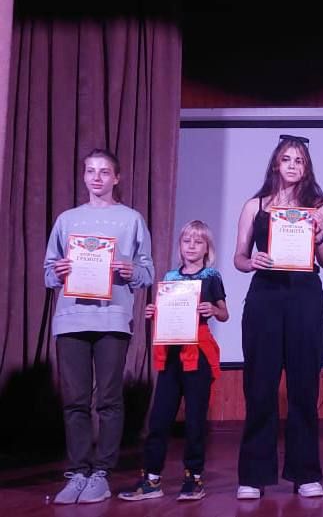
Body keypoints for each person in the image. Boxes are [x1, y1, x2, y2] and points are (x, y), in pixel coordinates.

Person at [43, 148, 154, 504]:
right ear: (84, 176)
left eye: (104, 171)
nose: (96, 177)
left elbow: (147, 272)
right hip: (71, 320)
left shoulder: (131, 219)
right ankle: (78, 471)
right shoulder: (67, 219)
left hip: (112, 319)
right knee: (75, 401)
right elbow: (48, 274)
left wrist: (131, 271)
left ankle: (101, 474)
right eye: (90, 171)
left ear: (116, 178)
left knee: (108, 399)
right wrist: (58, 271)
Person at [234, 135, 323, 499]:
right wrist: (252, 261)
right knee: (259, 387)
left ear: (306, 168)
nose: (292, 165)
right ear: (276, 164)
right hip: (264, 298)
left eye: (299, 160)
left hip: (305, 298)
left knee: (303, 388)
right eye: (287, 159)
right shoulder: (255, 205)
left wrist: (319, 237)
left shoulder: (320, 207)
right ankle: (253, 476)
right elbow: (239, 257)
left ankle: (305, 473)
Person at [118, 220, 228, 502]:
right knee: (159, 418)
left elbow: (224, 313)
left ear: (207, 248)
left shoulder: (211, 276)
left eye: (198, 242)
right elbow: (168, 312)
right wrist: (154, 311)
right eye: (186, 241)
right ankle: (151, 479)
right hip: (171, 354)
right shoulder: (170, 276)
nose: (191, 246)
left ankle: (194, 478)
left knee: (194, 420)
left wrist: (212, 309)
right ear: (180, 245)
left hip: (198, 353)